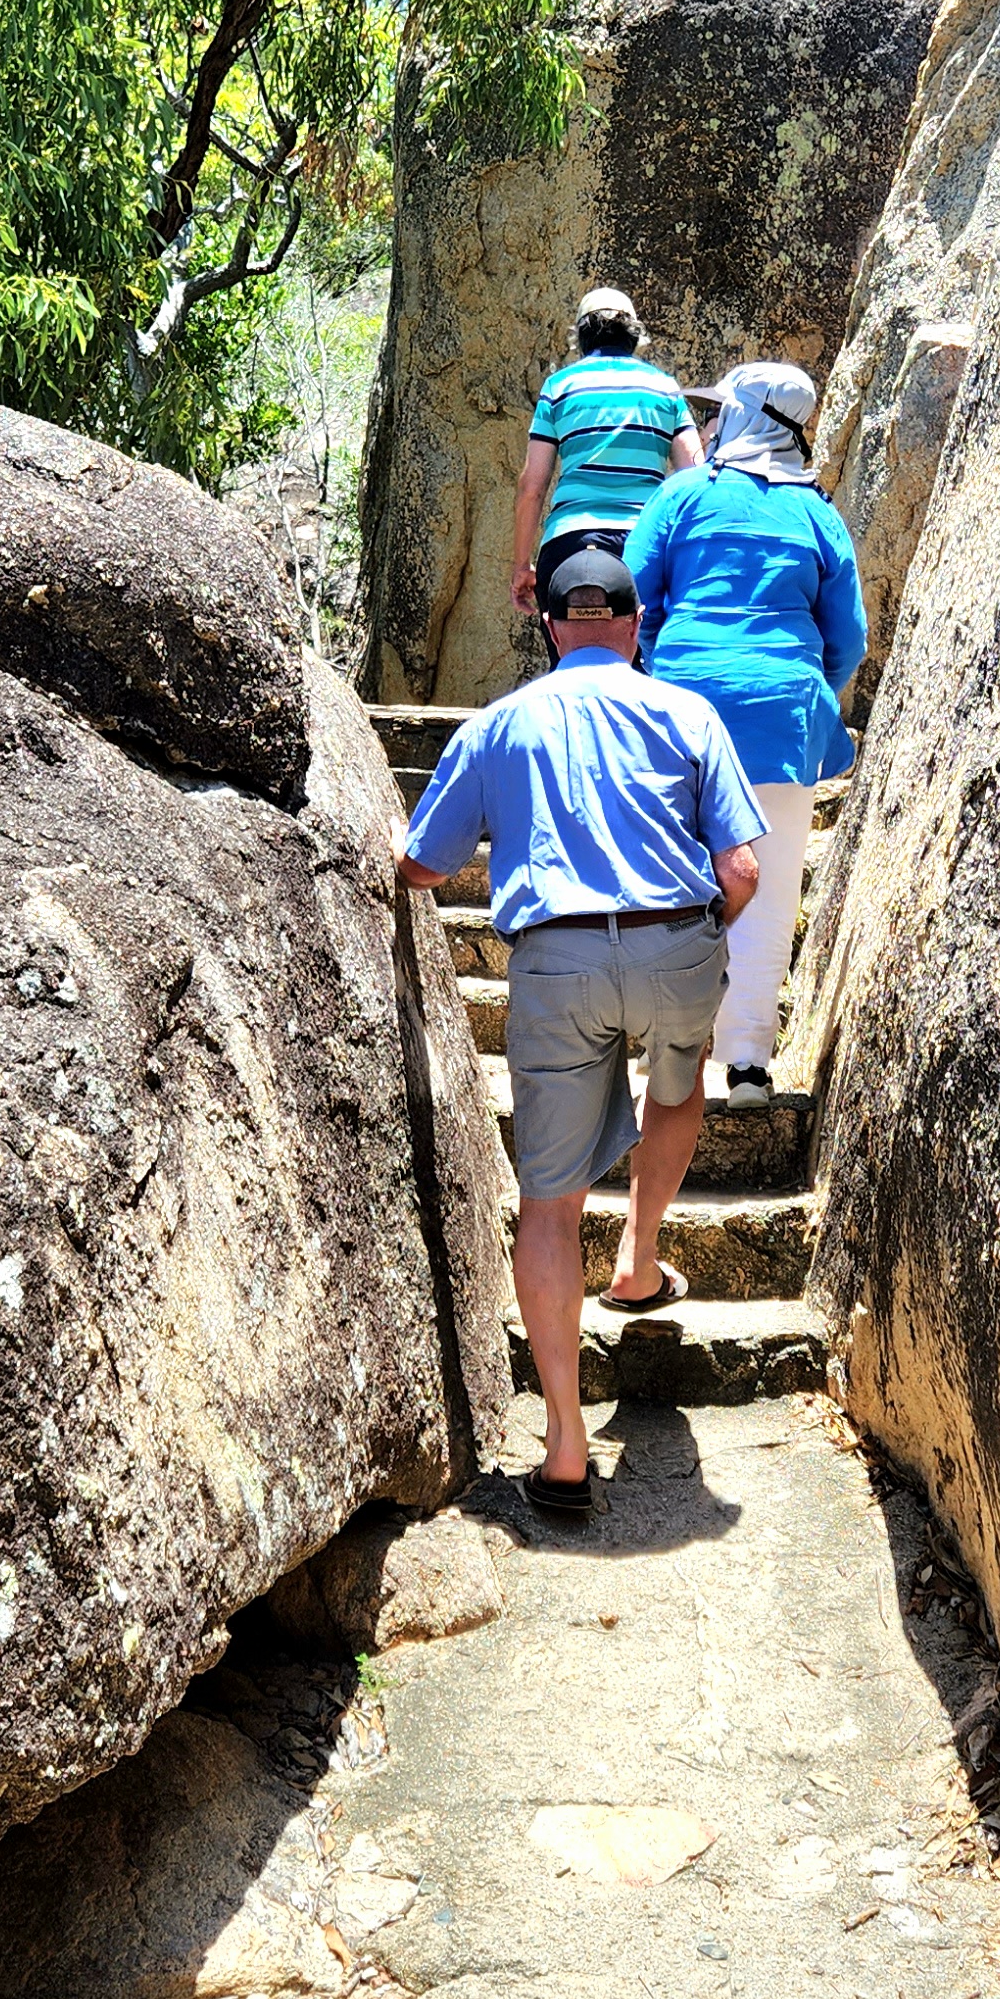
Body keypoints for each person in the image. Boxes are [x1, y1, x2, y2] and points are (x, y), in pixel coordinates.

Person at [397, 546, 763, 1523]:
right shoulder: (688, 713)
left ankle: (564, 1448)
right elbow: (744, 868)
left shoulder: (502, 723)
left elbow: (423, 866)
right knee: (677, 1086)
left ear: (553, 626)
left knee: (549, 1202)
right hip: (678, 940)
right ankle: (639, 1260)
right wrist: (691, 940)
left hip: (554, 960)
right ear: (637, 624)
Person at [624, 361, 866, 1111]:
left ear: (739, 419)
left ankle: (670, 1046)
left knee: (677, 875)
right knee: (769, 881)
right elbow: (848, 638)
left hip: (682, 710)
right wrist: (795, 685)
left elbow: (634, 591)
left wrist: (665, 660)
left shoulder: (683, 494)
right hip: (782, 718)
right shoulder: (819, 516)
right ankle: (750, 1064)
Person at [511, 287, 702, 664]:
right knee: (645, 675)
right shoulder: (665, 389)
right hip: (643, 542)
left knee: (569, 670)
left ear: (580, 336)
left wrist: (521, 566)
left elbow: (531, 487)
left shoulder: (559, 388)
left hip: (568, 541)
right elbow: (694, 476)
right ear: (633, 335)